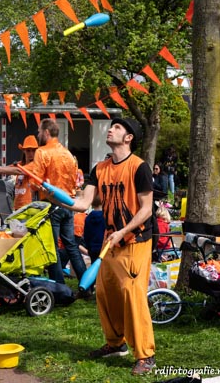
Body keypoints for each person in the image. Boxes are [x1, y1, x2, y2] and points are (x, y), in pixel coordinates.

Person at [53, 117, 155, 375]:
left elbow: (146, 209)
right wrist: (53, 196)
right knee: (105, 294)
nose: (111, 129)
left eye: (118, 127)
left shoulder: (139, 167)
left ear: (129, 137)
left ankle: (145, 355)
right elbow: (83, 203)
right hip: (110, 242)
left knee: (132, 296)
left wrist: (123, 230)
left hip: (135, 240)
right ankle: (115, 343)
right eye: (112, 126)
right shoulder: (100, 168)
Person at [29, 118, 87, 286]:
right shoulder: (68, 153)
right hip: (68, 204)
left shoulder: (42, 152)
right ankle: (85, 283)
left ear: (46, 132)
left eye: (39, 131)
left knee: (51, 246)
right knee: (71, 245)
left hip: (51, 204)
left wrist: (36, 187)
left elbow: (35, 182)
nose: (38, 134)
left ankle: (58, 285)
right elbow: (76, 180)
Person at [0, 135, 39, 210]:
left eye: (33, 150)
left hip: (29, 207)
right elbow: (9, 168)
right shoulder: (20, 164)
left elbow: (18, 170)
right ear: (24, 151)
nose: (31, 153)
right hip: (18, 206)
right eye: (28, 150)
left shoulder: (35, 165)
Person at [83, 195, 105, 264]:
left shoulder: (88, 217)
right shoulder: (105, 217)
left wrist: (88, 247)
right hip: (104, 247)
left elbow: (86, 234)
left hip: (92, 248)